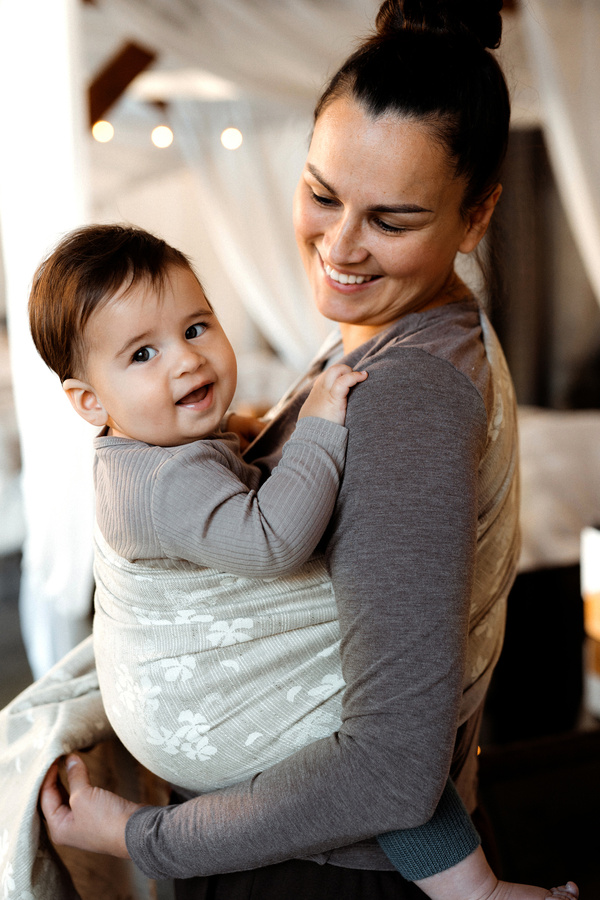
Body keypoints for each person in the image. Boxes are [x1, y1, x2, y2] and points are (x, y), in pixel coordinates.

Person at [38, 1, 578, 898]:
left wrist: (145, 836)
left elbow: (391, 765)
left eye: (392, 220)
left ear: (476, 216)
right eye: (323, 194)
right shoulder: (381, 336)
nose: (338, 247)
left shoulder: (408, 390)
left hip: (316, 869)